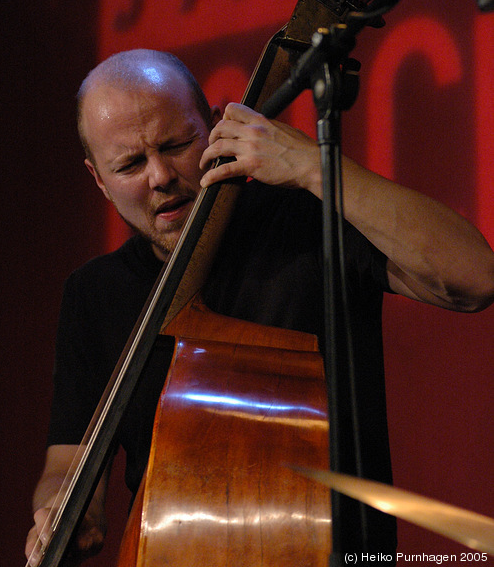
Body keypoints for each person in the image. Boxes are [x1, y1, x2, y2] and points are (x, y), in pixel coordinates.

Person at [25, 48, 494, 564]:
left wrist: (317, 169)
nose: (160, 176)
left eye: (176, 144)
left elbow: (474, 279)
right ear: (98, 179)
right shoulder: (94, 293)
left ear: (211, 127)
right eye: (130, 164)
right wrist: (61, 513)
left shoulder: (306, 222)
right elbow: (68, 464)